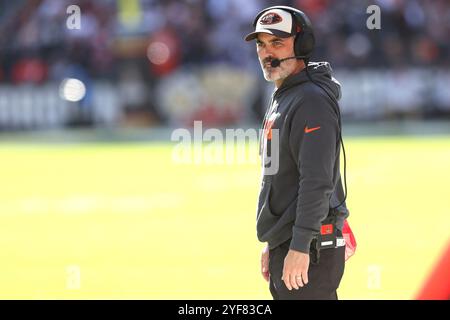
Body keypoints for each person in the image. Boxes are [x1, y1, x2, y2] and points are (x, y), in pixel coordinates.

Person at [245, 6, 350, 300]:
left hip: (309, 249)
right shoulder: (286, 95)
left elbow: (317, 181)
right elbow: (282, 178)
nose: (267, 53)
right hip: (291, 241)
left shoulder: (310, 100)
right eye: (261, 45)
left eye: (277, 43)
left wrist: (300, 246)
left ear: (302, 46)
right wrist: (275, 239)